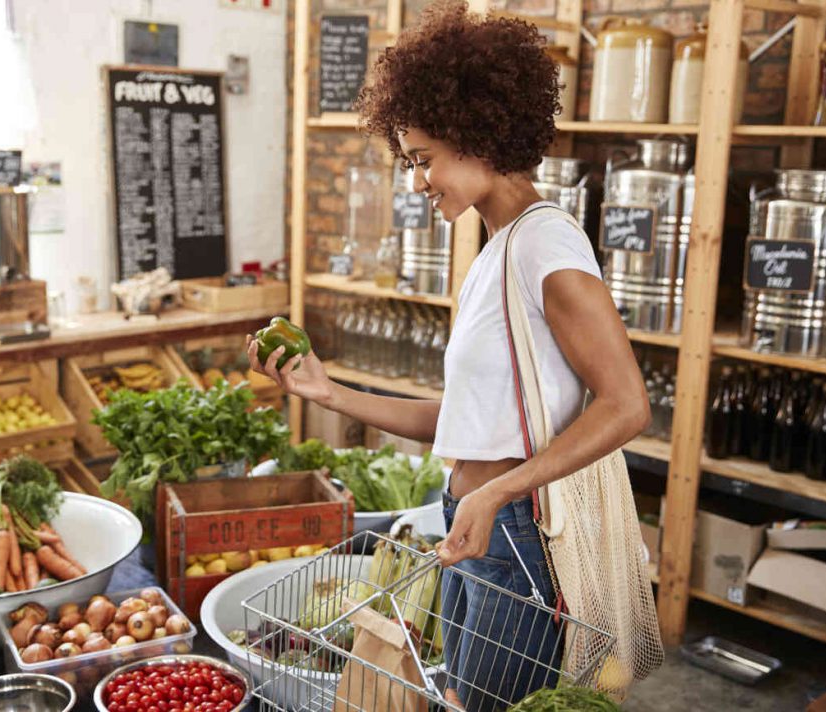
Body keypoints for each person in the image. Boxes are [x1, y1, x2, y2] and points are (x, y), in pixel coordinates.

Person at [248, 1, 650, 707]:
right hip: (478, 521)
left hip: (519, 532)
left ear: (477, 133)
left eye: (424, 159)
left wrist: (498, 491)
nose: (416, 181)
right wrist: (330, 393)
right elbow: (467, 420)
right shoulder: (499, 249)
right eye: (409, 162)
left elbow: (626, 404)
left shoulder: (543, 245)